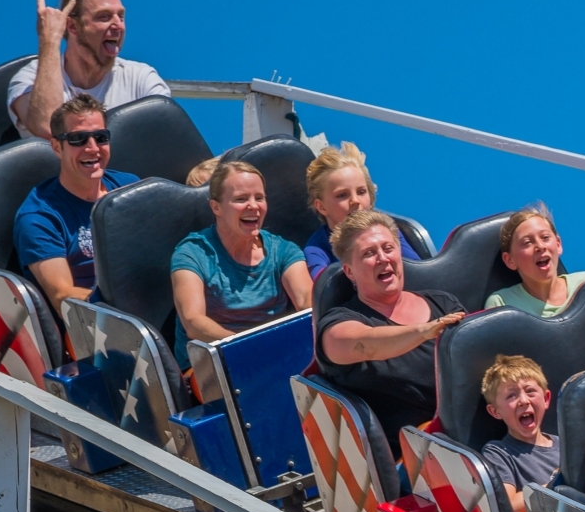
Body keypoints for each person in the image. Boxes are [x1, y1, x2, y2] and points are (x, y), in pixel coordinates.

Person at [315, 210, 465, 452]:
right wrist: (423, 332)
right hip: (417, 458)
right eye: (369, 253)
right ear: (349, 271)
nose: (383, 258)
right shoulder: (338, 323)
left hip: (480, 435)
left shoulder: (443, 304)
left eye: (388, 248)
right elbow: (366, 344)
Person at [170, 160, 312, 366]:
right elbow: (193, 322)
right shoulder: (192, 253)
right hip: (211, 367)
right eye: (241, 199)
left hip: (275, 359)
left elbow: (307, 300)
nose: (253, 206)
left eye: (259, 198)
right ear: (216, 207)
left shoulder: (283, 250)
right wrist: (246, 348)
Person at [13, 95, 137, 308]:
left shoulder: (130, 188)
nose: (92, 148)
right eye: (78, 139)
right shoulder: (39, 217)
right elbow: (63, 296)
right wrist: (124, 307)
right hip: (94, 325)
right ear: (57, 147)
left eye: (100, 137)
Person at [11, 0, 169, 140]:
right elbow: (48, 128)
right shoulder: (30, 78)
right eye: (104, 16)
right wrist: (50, 41)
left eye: (121, 16)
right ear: (72, 26)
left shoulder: (140, 79)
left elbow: (168, 135)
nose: (118, 26)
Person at [301, 143, 419, 279]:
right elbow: (325, 289)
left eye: (361, 192)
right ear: (321, 207)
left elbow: (417, 273)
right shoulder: (317, 250)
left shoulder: (389, 232)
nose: (355, 201)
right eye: (342, 195)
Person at [479, 354, 561, 512]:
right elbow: (508, 507)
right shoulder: (498, 452)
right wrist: (557, 484)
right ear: (495, 411)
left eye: (530, 391)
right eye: (511, 396)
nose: (524, 400)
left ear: (546, 399)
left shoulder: (564, 444)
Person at [485, 205, 585, 316]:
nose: (540, 246)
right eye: (527, 242)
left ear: (558, 244)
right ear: (510, 260)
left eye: (545, 237)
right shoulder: (502, 303)